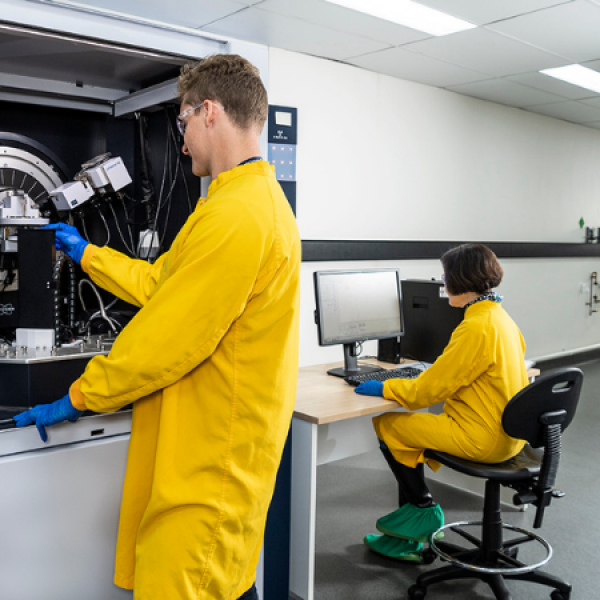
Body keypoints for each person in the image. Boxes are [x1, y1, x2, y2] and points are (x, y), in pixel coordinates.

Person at [14, 54, 301, 600]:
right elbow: (163, 285)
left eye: (184, 120)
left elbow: (163, 340)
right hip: (205, 453)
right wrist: (88, 255)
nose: (183, 136)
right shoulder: (238, 203)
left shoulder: (238, 216)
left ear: (210, 111)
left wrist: (77, 397)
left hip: (209, 468)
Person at [355, 244, 528, 562]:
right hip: (510, 437)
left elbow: (426, 393)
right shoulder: (501, 319)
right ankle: (406, 533)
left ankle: (423, 509)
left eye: (446, 275)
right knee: (406, 425)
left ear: (459, 280)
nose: (443, 282)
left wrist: (386, 387)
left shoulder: (476, 327)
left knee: (388, 423)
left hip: (482, 439)